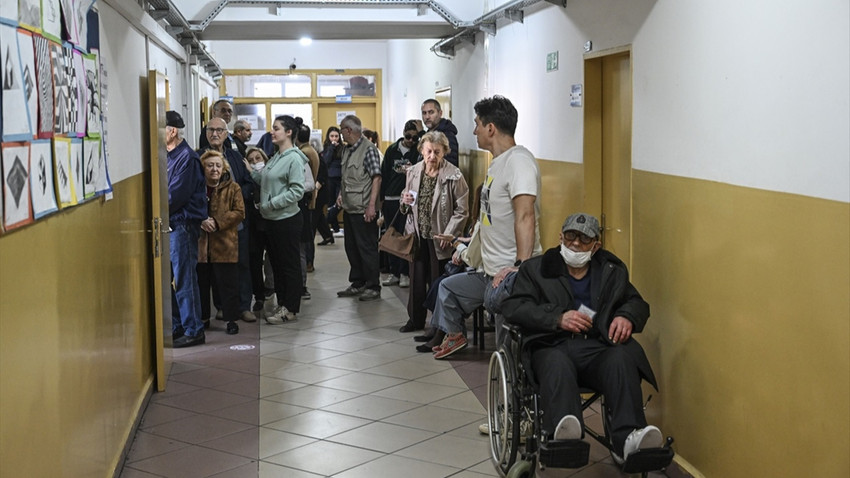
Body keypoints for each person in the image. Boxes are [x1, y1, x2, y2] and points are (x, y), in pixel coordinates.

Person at [501, 212, 664, 464]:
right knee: (557, 362)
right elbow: (514, 308)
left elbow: (636, 303)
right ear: (560, 237)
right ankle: (564, 433)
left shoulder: (610, 270)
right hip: (551, 345)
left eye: (584, 239)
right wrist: (556, 317)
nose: (576, 243)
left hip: (596, 349)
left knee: (621, 357)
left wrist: (626, 316)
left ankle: (628, 439)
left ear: (596, 245)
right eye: (570, 236)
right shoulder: (536, 269)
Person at [424, 95, 542, 359]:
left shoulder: (519, 161)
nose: (474, 130)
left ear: (491, 128)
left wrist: (520, 267)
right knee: (449, 288)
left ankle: (510, 395)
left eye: (477, 123)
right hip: (488, 270)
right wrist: (463, 243)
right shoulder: (496, 164)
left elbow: (525, 216)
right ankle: (455, 336)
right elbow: (489, 220)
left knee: (508, 351)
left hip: (508, 274)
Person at [398, 131, 469, 333]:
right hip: (419, 234)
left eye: (437, 152)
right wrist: (404, 202)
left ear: (445, 152)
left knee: (438, 282)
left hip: (441, 237)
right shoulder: (413, 171)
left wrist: (450, 234)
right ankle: (415, 319)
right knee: (417, 279)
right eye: (428, 151)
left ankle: (439, 327)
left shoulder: (454, 175)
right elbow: (406, 203)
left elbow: (462, 210)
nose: (432, 157)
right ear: (421, 150)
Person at [247, 115, 305, 324]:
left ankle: (290, 309)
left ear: (289, 132)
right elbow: (267, 179)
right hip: (272, 220)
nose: (273, 132)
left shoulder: (294, 158)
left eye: (277, 128)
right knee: (278, 266)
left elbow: (297, 191)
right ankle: (283, 303)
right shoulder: (277, 156)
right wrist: (251, 173)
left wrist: (270, 204)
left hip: (286, 220)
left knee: (289, 266)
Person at [199, 117, 256, 323]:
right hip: (209, 225)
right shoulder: (199, 158)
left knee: (241, 264)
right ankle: (222, 306)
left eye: (219, 130)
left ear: (226, 133)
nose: (215, 134)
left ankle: (243, 306)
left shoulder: (235, 156)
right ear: (206, 133)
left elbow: (248, 184)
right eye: (211, 130)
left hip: (236, 221)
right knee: (215, 268)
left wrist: (238, 195)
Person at [165, 110, 206, 348]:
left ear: (172, 131)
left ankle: (194, 329)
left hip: (182, 225)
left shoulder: (187, 159)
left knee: (184, 279)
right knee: (168, 279)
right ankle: (178, 325)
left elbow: (174, 197)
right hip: (171, 225)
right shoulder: (167, 155)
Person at [197, 151, 245, 335]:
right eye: (209, 165)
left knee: (228, 285)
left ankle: (231, 320)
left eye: (218, 165)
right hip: (201, 246)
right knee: (201, 284)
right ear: (203, 168)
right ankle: (203, 318)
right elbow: (190, 206)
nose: (214, 169)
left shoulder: (233, 188)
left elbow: (239, 212)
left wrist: (217, 223)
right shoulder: (196, 187)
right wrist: (202, 219)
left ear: (223, 167)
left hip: (225, 245)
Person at [336, 115, 382, 302]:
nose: (340, 134)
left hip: (364, 209)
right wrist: (340, 194)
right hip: (350, 207)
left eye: (341, 130)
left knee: (367, 249)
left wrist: (372, 206)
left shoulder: (368, 150)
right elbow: (346, 176)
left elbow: (376, 178)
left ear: (349, 130)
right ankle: (358, 282)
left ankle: (373, 286)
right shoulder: (347, 150)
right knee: (352, 248)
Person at [379, 120, 419, 288]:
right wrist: (380, 199)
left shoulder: (417, 152)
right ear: (403, 133)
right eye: (408, 136)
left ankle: (404, 273)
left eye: (414, 138)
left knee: (405, 236)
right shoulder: (392, 151)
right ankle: (394, 271)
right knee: (391, 234)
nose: (410, 140)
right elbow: (384, 174)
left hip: (408, 199)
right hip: (390, 199)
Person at [244, 147, 272, 318]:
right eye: (251, 160)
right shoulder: (247, 178)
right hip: (253, 224)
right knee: (255, 261)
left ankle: (272, 288)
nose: (255, 162)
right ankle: (259, 295)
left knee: (273, 259)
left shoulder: (270, 174)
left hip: (269, 221)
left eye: (258, 158)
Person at [296, 123, 320, 296]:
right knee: (306, 241)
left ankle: (302, 283)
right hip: (309, 200)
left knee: (303, 245)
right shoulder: (311, 150)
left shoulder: (303, 154)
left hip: (305, 201)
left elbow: (309, 182)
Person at [420, 98, 459, 167]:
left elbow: (449, 164)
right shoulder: (429, 134)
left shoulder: (447, 136)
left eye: (431, 112)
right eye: (424, 113)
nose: (427, 117)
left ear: (440, 113)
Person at [322, 126, 344, 236]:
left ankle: (325, 222)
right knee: (330, 204)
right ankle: (335, 228)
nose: (334, 139)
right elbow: (325, 161)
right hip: (329, 178)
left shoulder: (343, 148)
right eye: (332, 136)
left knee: (339, 204)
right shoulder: (326, 147)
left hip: (340, 179)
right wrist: (331, 148)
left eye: (336, 136)